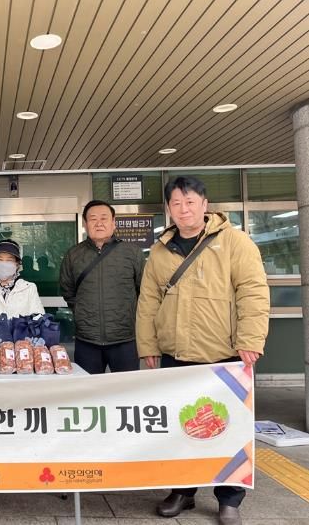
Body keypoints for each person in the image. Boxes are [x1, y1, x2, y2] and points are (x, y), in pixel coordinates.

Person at [136, 177, 269, 525]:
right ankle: (183, 491)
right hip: (176, 354)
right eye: (176, 203)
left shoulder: (235, 242)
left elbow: (253, 291)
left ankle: (229, 500)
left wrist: (251, 338)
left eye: (190, 201)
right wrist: (148, 345)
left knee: (229, 428)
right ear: (169, 208)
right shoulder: (161, 250)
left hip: (224, 354)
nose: (184, 209)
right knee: (180, 427)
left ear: (205, 205)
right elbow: (148, 302)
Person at [59, 200, 145, 374]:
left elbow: (143, 290)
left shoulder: (132, 252)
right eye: (93, 219)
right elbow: (68, 290)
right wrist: (83, 311)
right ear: (85, 224)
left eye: (104, 218)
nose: (99, 223)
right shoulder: (73, 255)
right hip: (87, 340)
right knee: (89, 388)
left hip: (124, 339)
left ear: (113, 222)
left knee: (126, 387)